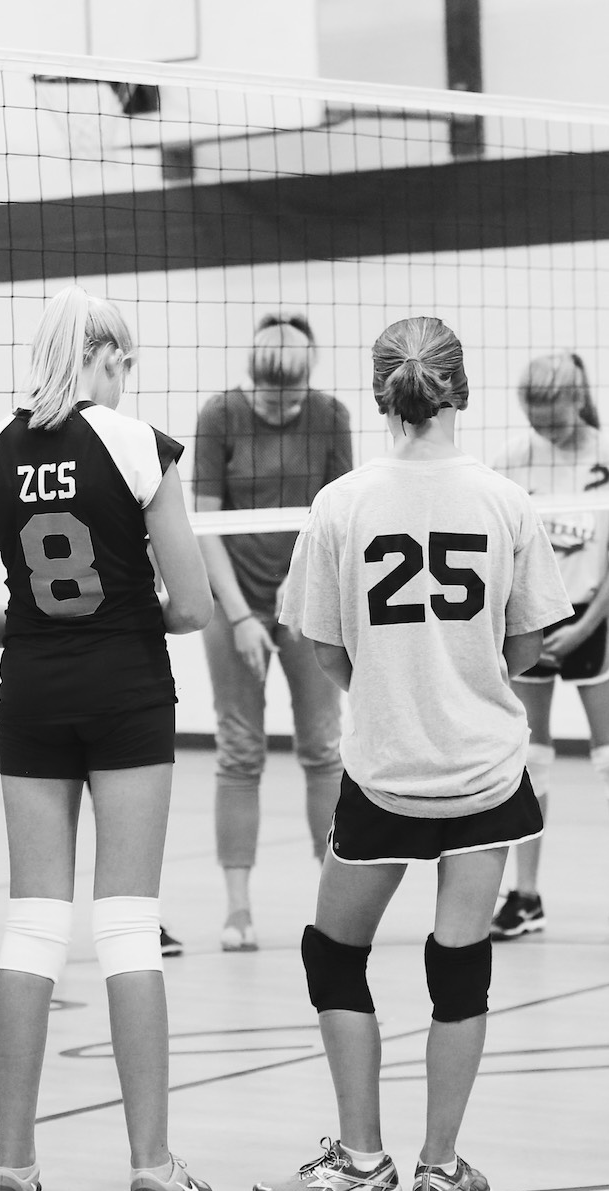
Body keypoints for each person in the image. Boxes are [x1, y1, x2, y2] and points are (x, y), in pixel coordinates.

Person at [252, 317, 569, 1191]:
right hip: (484, 773)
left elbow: (317, 639)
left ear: (383, 392)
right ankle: (438, 1169)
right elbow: (531, 641)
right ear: (460, 391)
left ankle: (360, 1162)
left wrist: (385, 691)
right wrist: (467, 683)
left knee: (332, 955)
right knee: (458, 965)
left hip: (385, 769)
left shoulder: (342, 503)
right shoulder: (505, 500)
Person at [0, 284, 216, 1191]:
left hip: (34, 695)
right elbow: (193, 603)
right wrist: (124, 618)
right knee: (130, 927)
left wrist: (34, 631)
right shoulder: (138, 443)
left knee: (32, 927)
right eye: (123, 359)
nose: (124, 374)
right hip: (128, 690)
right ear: (102, 355)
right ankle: (152, 1170)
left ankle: (11, 1167)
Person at [486, 352, 609, 943]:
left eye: (553, 409)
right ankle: (525, 896)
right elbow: (500, 554)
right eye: (533, 411)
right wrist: (519, 621)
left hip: (588, 619)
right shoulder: (511, 459)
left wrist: (585, 627)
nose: (544, 422)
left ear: (576, 397)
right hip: (530, 618)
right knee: (529, 762)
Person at [194, 312, 352, 952]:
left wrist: (302, 587)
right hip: (231, 593)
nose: (280, 405)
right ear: (252, 379)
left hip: (305, 594)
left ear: (307, 377)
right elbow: (203, 525)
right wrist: (237, 618)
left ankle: (333, 903)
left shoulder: (331, 415)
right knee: (239, 751)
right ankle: (238, 911)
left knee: (322, 747)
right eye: (269, 394)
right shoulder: (219, 416)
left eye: (290, 394)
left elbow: (338, 515)